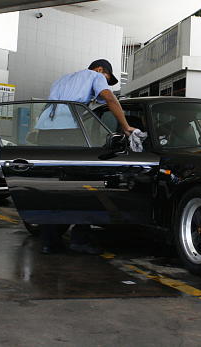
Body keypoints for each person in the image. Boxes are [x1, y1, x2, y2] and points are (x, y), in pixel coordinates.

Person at [39, 59, 136, 255]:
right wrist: (125, 127)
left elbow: (48, 107)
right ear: (101, 70)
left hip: (44, 130)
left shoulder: (62, 79)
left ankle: (49, 242)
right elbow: (108, 98)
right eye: (107, 78)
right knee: (83, 184)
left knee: (53, 187)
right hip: (67, 131)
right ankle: (80, 238)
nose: (105, 82)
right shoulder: (94, 75)